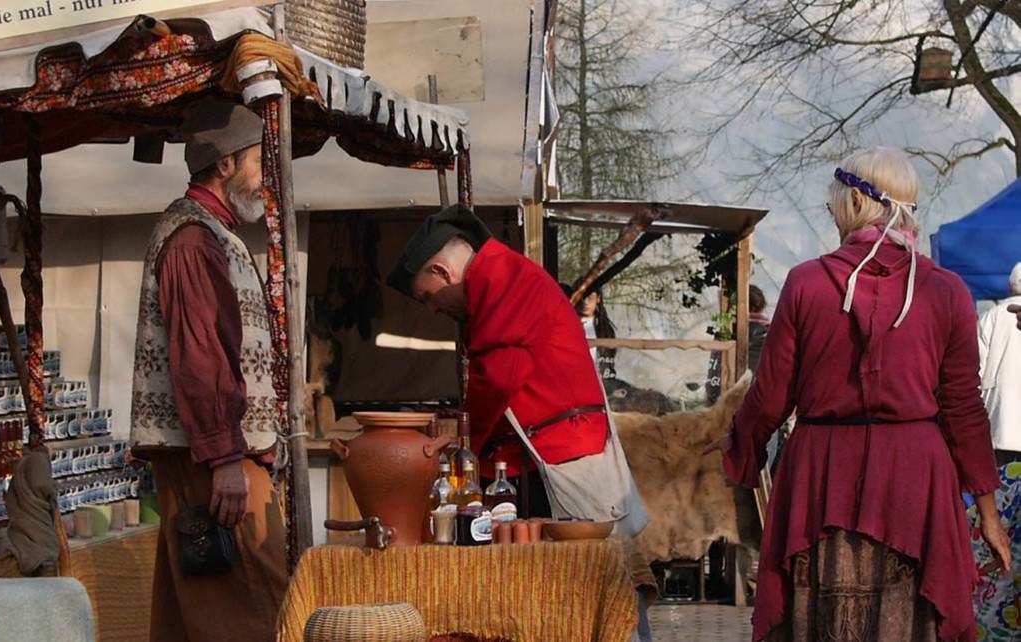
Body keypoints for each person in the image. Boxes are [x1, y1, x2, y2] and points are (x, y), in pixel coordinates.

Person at [704, 147, 1010, 642]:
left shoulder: (806, 283)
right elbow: (963, 409)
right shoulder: (947, 290)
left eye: (833, 207)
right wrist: (988, 513)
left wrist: (743, 443)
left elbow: (772, 391)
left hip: (821, 476)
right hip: (916, 478)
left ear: (853, 203)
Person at [388, 204, 652, 640]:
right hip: (549, 456)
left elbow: (498, 377)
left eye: (428, 296)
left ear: (442, 270)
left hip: (567, 459)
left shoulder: (502, 278)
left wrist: (461, 439)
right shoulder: (498, 277)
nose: (433, 309)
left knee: (595, 598)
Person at [129, 99, 287, 642]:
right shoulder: (194, 239)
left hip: (218, 454)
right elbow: (202, 356)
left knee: (200, 612)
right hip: (215, 458)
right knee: (252, 608)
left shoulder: (210, 232)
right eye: (256, 162)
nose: (264, 178)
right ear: (223, 165)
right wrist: (224, 459)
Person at [971, 264, 1021, 642]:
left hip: (1000, 430)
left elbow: (976, 371)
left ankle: (1001, 587)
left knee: (1000, 514)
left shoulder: (991, 315)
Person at [978, 262, 1021, 464]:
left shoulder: (991, 316)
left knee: (1002, 489)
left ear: (1009, 286)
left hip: (1000, 422)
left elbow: (975, 369)